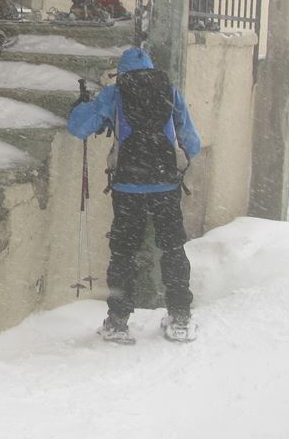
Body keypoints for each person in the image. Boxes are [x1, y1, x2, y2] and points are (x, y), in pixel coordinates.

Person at [67, 47, 201, 344]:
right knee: (173, 249)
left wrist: (80, 106)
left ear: (122, 72)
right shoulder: (170, 91)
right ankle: (180, 317)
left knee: (123, 253)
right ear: (152, 69)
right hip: (165, 185)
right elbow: (192, 140)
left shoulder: (114, 94)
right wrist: (186, 158)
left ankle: (117, 321)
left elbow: (78, 128)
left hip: (128, 187)